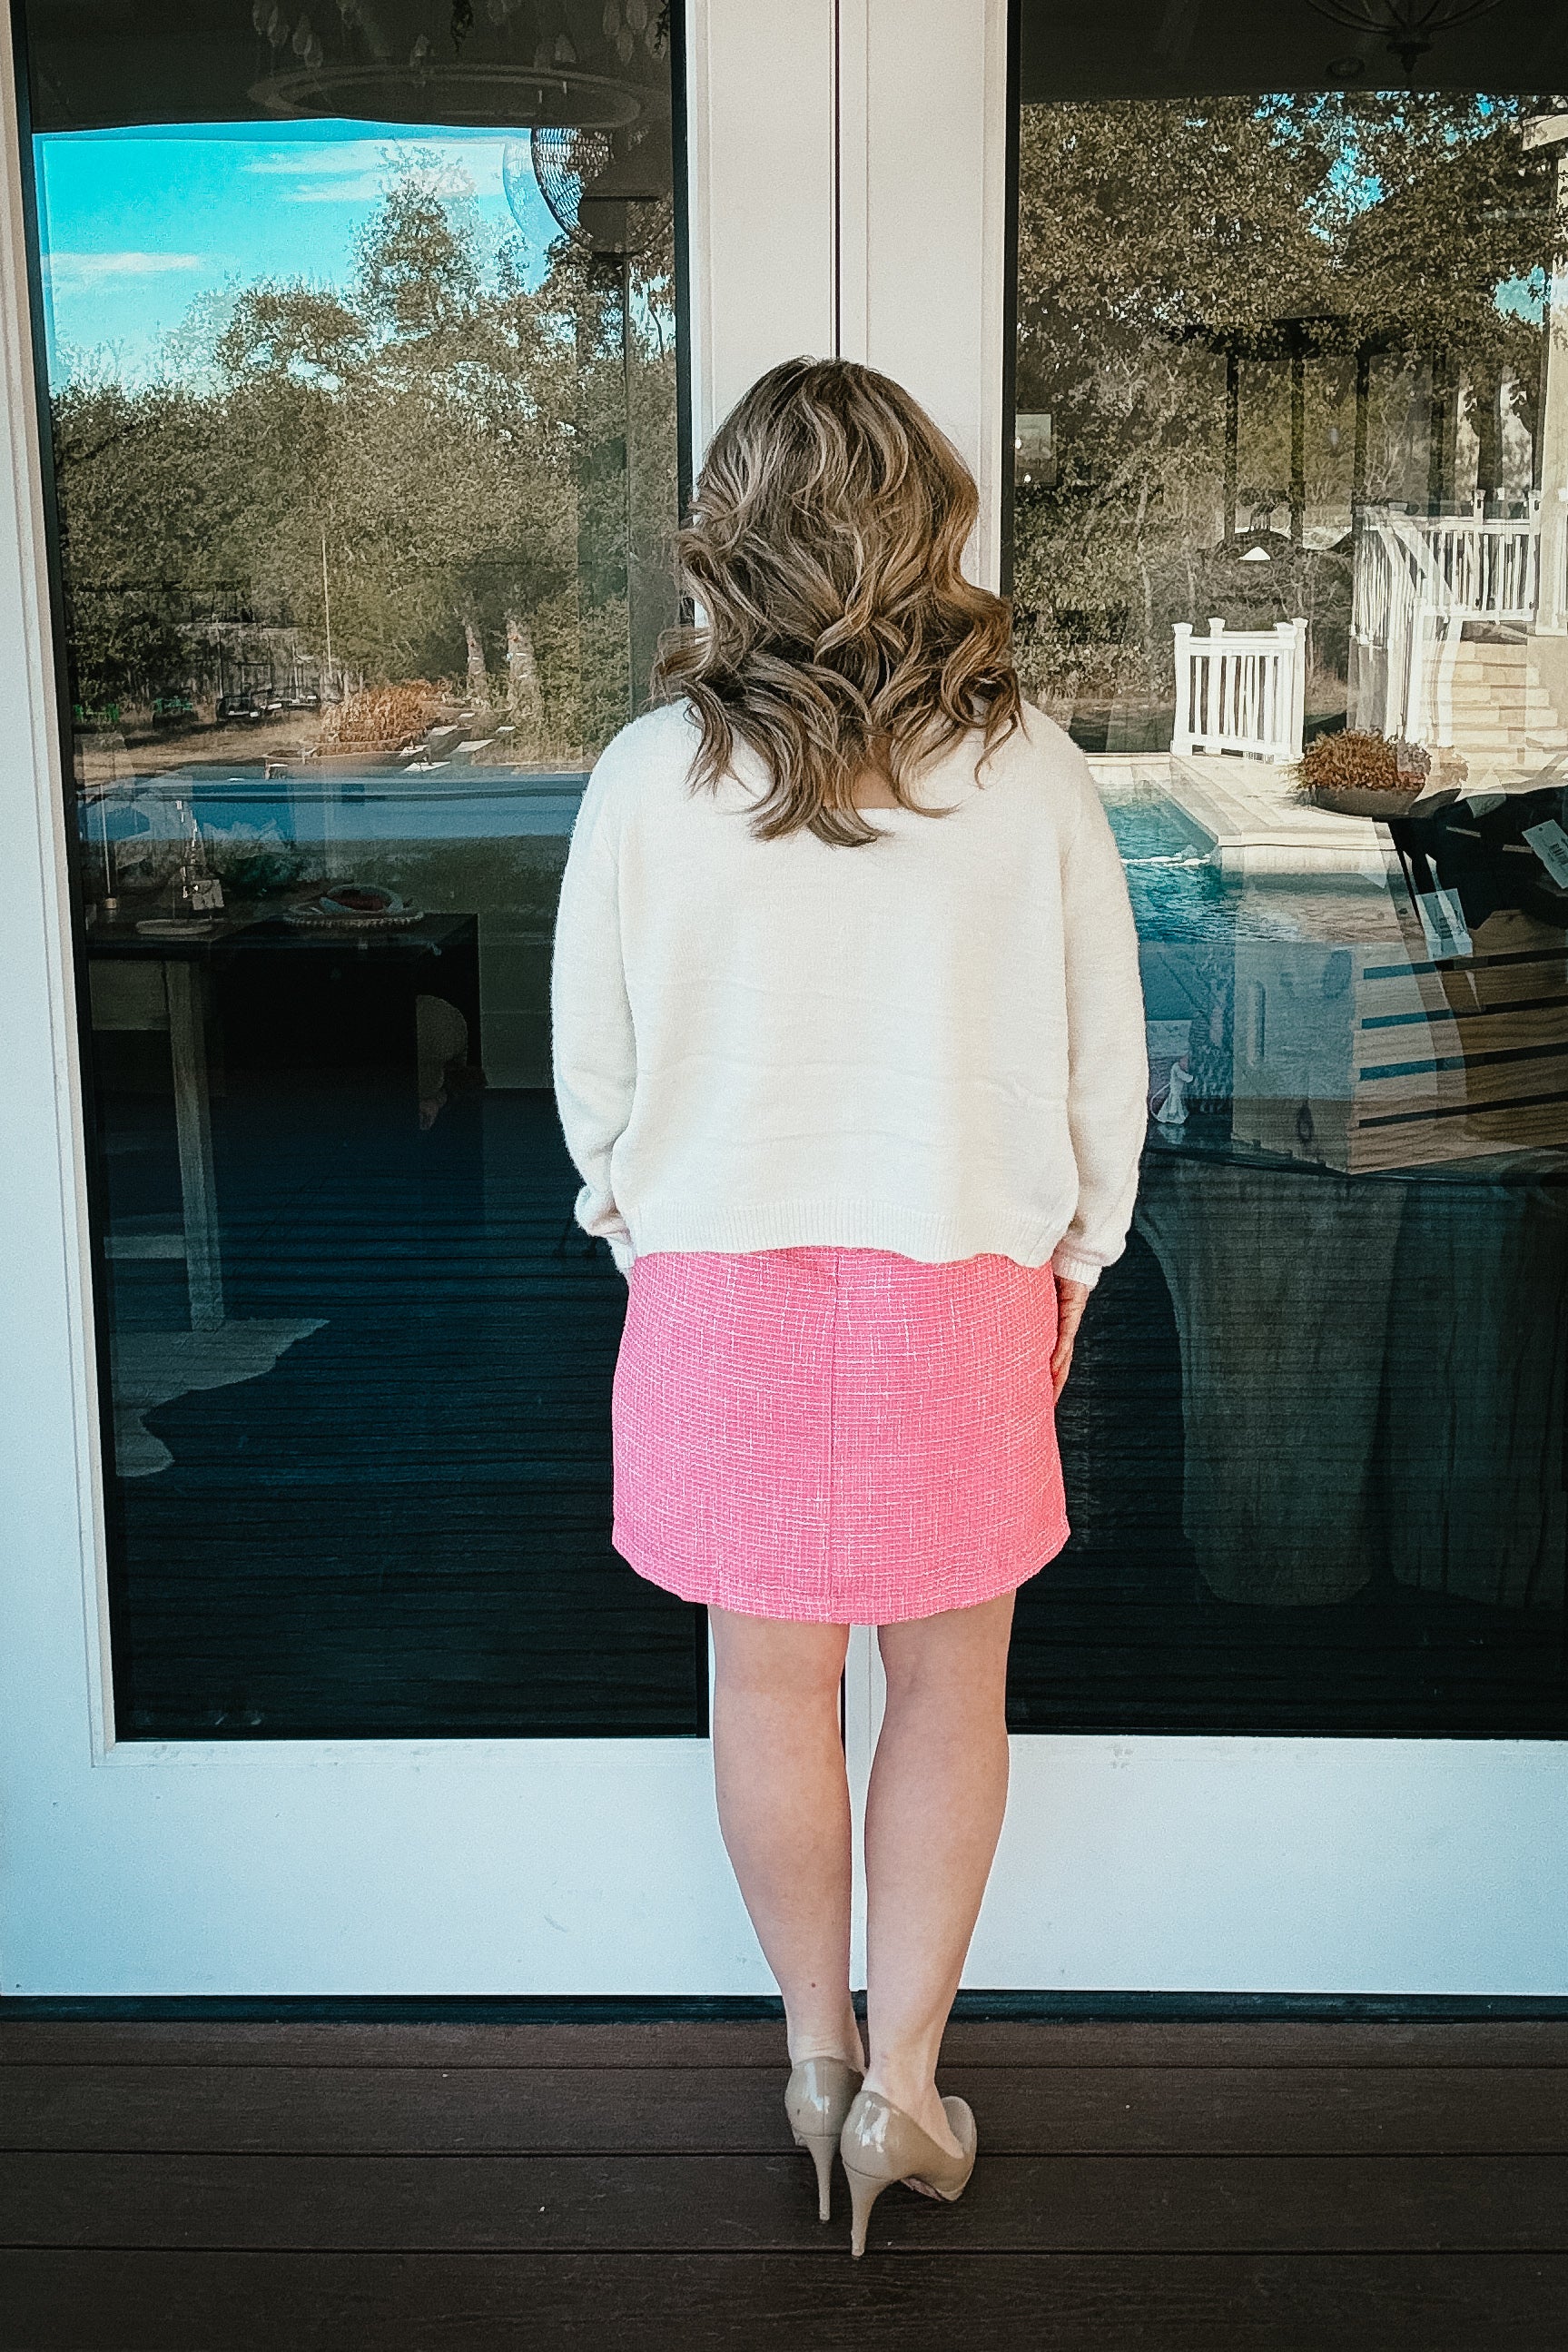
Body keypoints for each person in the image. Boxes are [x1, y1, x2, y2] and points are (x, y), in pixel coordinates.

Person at [550, 355, 1147, 2257]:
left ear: (730, 532)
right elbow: (1101, 1064)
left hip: (720, 1284)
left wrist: (650, 1234)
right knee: (949, 1688)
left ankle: (813, 2063)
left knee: (766, 1688)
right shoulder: (1027, 767)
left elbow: (595, 1080)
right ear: (930, 523)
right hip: (957, 1276)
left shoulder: (651, 774)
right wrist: (1078, 1256)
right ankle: (905, 2087)